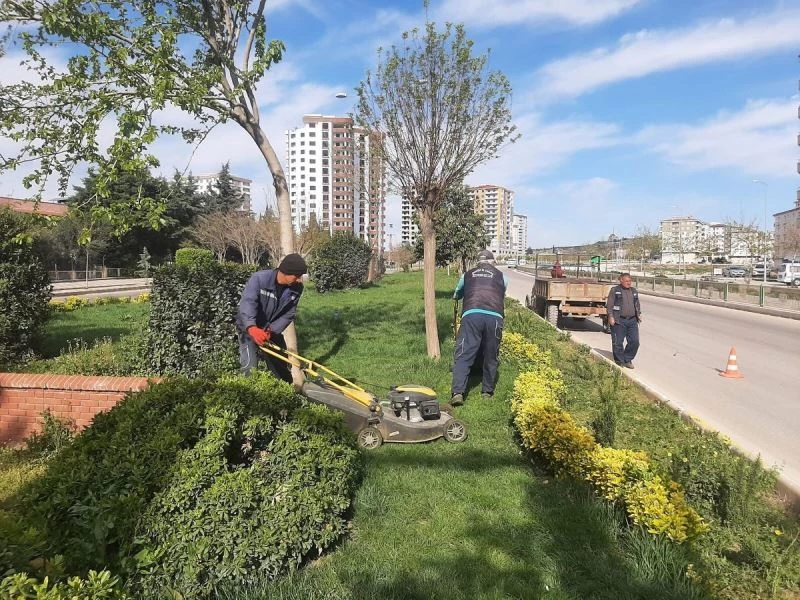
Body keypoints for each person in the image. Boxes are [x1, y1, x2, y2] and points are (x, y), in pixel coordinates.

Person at [236, 253, 307, 381]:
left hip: (270, 330)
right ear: (285, 272)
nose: (299, 279)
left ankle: (287, 392)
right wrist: (252, 328)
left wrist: (271, 330)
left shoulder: (296, 288)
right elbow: (248, 303)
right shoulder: (259, 279)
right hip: (248, 328)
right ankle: (248, 393)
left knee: (281, 365)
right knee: (250, 367)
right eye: (297, 276)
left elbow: (288, 314)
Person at [450, 249, 508, 406]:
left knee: (464, 352)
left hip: (472, 314)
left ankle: (458, 392)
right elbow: (501, 293)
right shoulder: (502, 276)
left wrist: (457, 296)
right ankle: (487, 392)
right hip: (495, 317)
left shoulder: (467, 275)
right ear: (492, 262)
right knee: (491, 354)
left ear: (478, 262)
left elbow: (457, 293)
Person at [606, 272, 642, 369]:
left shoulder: (634, 291)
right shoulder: (615, 290)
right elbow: (609, 305)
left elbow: (637, 304)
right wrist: (610, 316)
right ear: (621, 280)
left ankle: (627, 359)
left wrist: (639, 314)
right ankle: (619, 360)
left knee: (635, 341)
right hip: (619, 320)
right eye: (626, 281)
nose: (628, 283)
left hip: (632, 320)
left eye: (630, 281)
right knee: (618, 342)